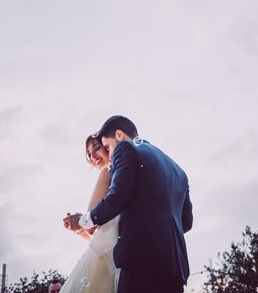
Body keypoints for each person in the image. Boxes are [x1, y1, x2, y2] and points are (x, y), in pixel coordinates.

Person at [66, 115, 193, 293]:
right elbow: (186, 223)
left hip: (139, 262)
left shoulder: (125, 147)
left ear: (119, 135)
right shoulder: (179, 170)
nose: (110, 152)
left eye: (107, 147)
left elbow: (118, 197)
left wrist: (83, 220)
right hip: (174, 267)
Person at [60, 134, 120, 293]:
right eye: (88, 153)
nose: (92, 155)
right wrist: (80, 230)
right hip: (113, 258)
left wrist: (82, 221)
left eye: (96, 148)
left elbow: (92, 225)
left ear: (108, 147)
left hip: (109, 262)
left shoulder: (107, 171)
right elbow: (100, 238)